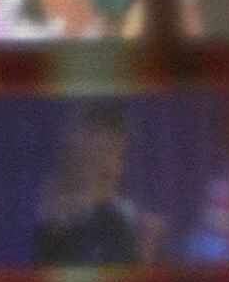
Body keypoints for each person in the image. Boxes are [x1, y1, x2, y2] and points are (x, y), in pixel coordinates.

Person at [34, 107, 163, 267]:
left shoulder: (120, 221)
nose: (110, 167)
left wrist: (145, 248)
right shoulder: (44, 216)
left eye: (118, 154)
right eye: (101, 151)